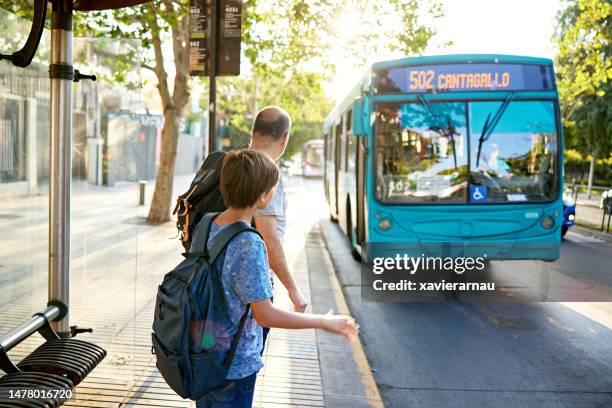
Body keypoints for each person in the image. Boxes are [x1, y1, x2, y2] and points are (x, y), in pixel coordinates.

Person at [195, 149, 358, 408]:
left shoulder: (206, 224)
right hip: (234, 366)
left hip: (203, 352)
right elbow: (265, 315)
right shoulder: (248, 243)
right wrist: (324, 322)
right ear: (264, 196)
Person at [248, 106, 307, 351]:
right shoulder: (266, 172)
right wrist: (293, 290)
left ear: (254, 132)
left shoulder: (232, 161)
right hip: (253, 285)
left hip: (219, 275)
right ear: (284, 139)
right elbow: (268, 237)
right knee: (246, 360)